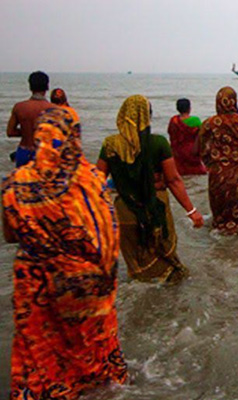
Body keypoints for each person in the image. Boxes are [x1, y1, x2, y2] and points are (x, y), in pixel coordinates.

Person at [2, 108, 127, 400]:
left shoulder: (14, 183)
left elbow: (9, 235)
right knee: (88, 346)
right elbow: (105, 234)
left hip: (35, 284)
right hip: (82, 287)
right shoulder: (91, 181)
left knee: (39, 349)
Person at [97, 95, 203, 283]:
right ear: (148, 117)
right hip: (155, 208)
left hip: (125, 211)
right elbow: (173, 180)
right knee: (168, 265)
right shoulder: (158, 143)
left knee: (138, 266)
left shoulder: (110, 145)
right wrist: (192, 211)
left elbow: (95, 182)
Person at [199, 87, 238, 234]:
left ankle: (219, 246)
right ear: (234, 101)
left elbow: (198, 151)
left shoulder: (209, 124)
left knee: (220, 216)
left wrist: (214, 159)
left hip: (217, 174)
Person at [6, 71, 54, 167]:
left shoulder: (19, 107)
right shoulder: (54, 109)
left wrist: (26, 131)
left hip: (24, 151)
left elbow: (10, 132)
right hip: (43, 153)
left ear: (30, 87)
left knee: (22, 179)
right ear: (47, 87)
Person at [167, 98, 207, 176]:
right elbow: (202, 135)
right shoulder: (196, 120)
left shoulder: (174, 121)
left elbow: (171, 134)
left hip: (177, 153)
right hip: (192, 152)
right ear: (189, 108)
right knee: (197, 173)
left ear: (177, 108)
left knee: (180, 173)